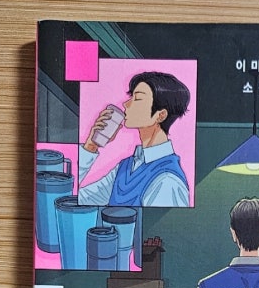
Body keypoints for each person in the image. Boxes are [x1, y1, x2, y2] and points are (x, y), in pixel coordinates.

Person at [78, 71, 190, 207]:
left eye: (137, 99)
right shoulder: (126, 167)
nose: (126, 104)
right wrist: (91, 146)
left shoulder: (167, 181)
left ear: (160, 115)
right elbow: (75, 199)